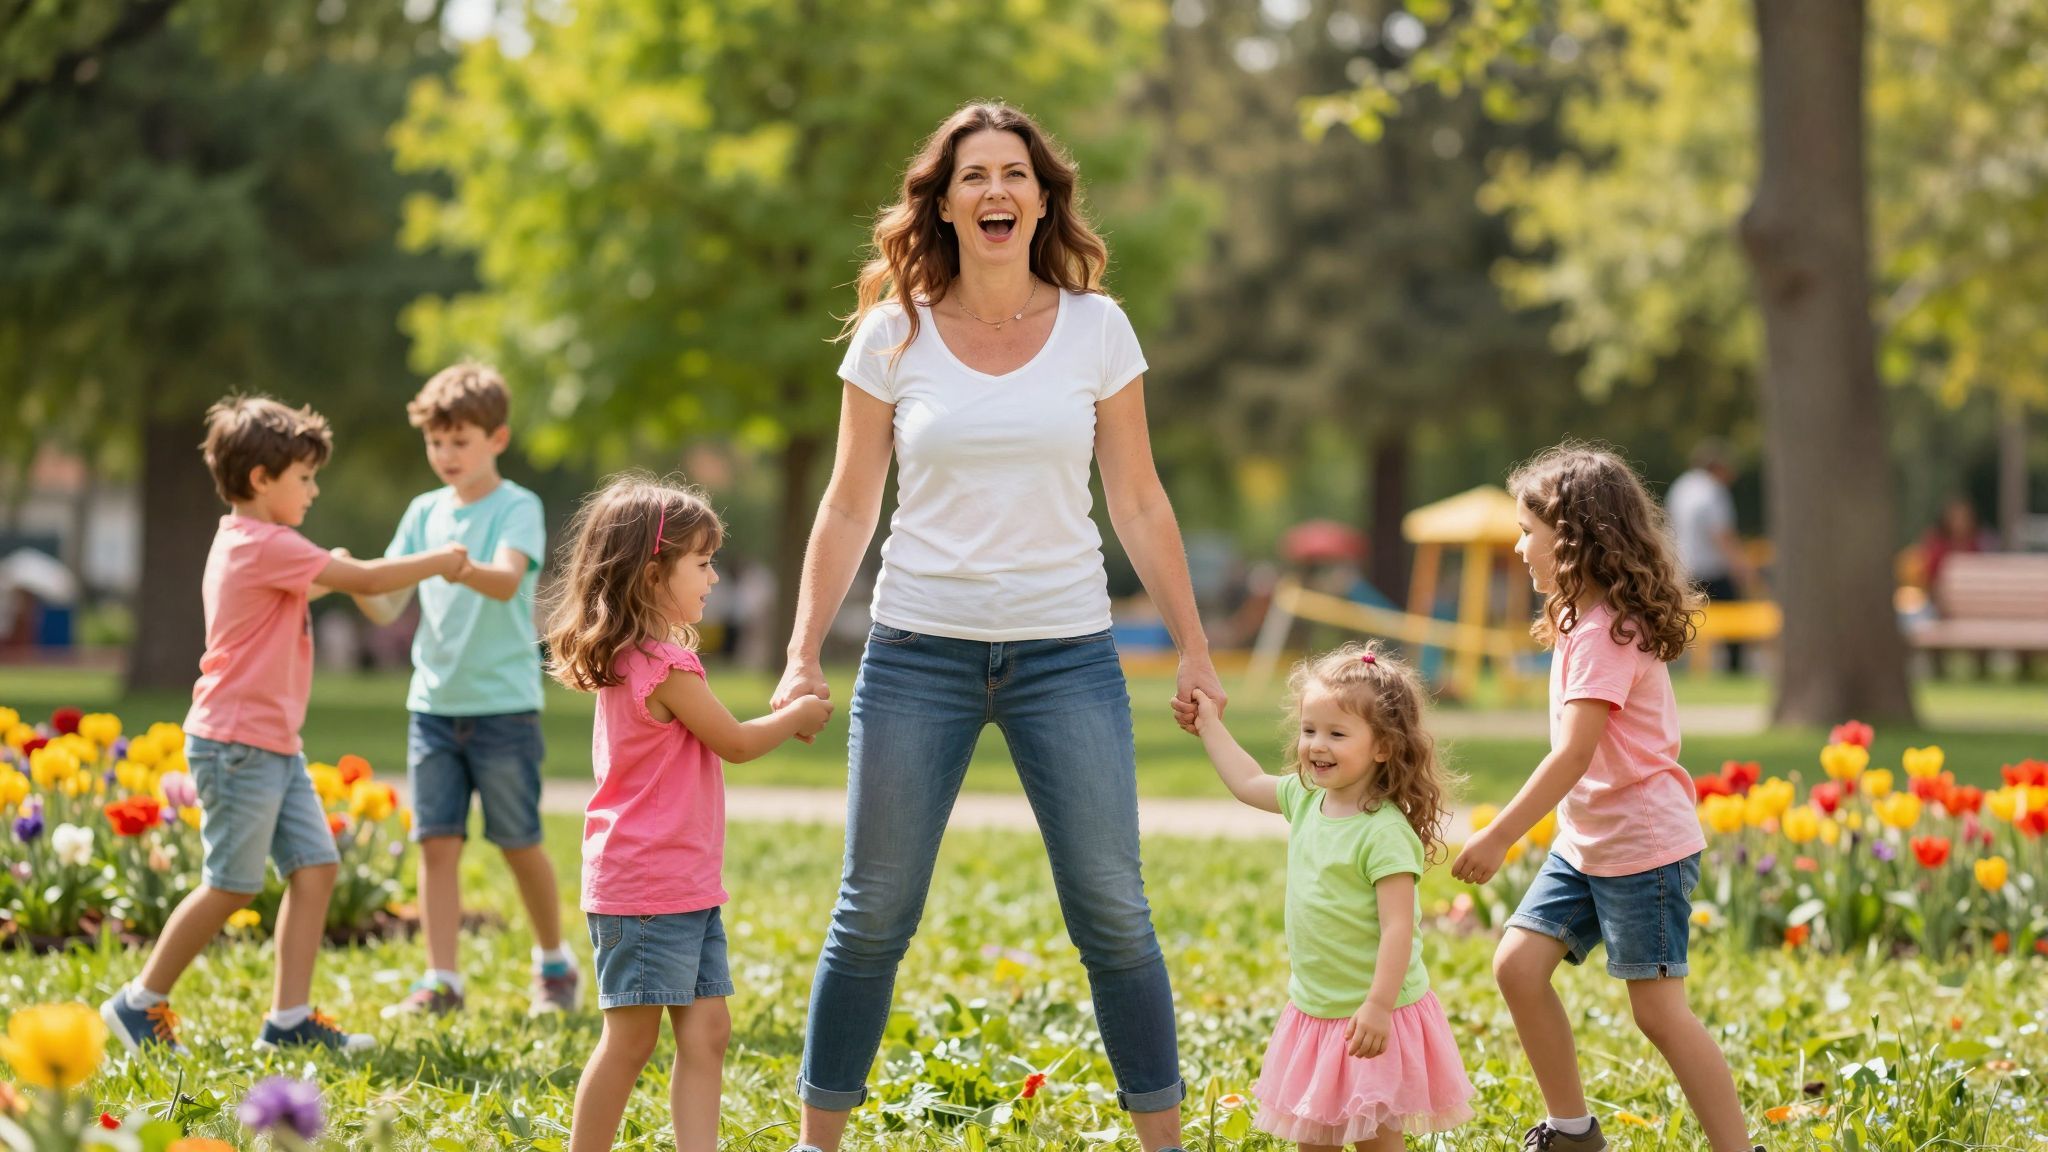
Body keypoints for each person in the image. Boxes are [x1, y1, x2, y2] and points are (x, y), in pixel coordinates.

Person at [771, 101, 1224, 1152]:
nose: (994, 192)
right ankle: (814, 1144)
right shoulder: (894, 332)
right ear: (940, 202)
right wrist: (799, 654)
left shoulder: (1097, 328)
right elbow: (846, 504)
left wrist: (1192, 645)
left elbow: (1140, 500)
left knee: (1113, 913)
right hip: (915, 653)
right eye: (971, 176)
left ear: (1042, 197)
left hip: (1065, 655)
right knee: (872, 913)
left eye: (1013, 174)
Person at [101, 396, 468, 1055]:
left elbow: (324, 580)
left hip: (271, 745)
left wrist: (338, 567)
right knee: (232, 883)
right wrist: (437, 560)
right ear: (260, 480)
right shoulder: (264, 543)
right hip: (238, 745)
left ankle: (289, 1020)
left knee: (316, 867)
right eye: (303, 478)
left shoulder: (253, 543)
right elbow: (359, 576)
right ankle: (139, 1002)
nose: (314, 488)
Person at [1453, 443, 1763, 1152]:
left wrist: (1501, 833)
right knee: (1518, 967)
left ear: (1573, 538)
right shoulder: (1578, 622)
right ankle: (1572, 1132)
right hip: (1590, 842)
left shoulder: (1607, 632)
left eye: (1528, 530)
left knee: (1658, 1013)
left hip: (1642, 847)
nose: (1518, 543)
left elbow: (1574, 753)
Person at [545, 474, 831, 1152]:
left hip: (679, 884)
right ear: (651, 575)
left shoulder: (634, 658)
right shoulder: (662, 667)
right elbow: (733, 742)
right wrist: (795, 716)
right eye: (701, 563)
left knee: (707, 1031)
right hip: (647, 886)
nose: (714, 577)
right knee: (631, 1040)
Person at [355, 363, 577, 1019]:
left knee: (518, 841)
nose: (446, 455)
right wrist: (349, 580)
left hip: (503, 707)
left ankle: (555, 964)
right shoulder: (423, 513)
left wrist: (451, 564)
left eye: (460, 442)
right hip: (432, 707)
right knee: (436, 843)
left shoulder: (518, 507)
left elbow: (507, 581)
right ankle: (442, 980)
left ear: (497, 439)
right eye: (436, 442)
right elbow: (387, 601)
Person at [1190, 644, 1474, 1150]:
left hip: (1372, 1015)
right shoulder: (1304, 799)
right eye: (1309, 730)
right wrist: (1209, 722)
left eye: (1337, 734)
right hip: (1317, 1010)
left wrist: (1378, 1006)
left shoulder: (1383, 832)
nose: (1317, 745)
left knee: (1375, 1139)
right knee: (1313, 1137)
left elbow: (1398, 929)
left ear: (1383, 746)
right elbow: (1247, 780)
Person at [1665, 440, 1753, 672]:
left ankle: (1681, 668)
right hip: (1711, 568)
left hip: (1684, 567)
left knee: (1684, 623)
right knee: (1735, 622)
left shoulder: (1681, 486)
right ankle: (1734, 669)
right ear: (1718, 468)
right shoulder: (1713, 490)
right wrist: (1741, 566)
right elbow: (1720, 533)